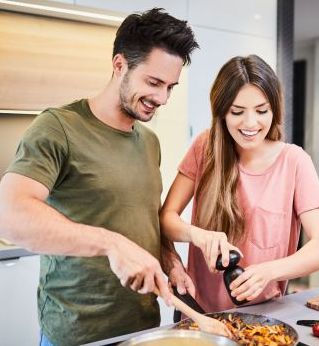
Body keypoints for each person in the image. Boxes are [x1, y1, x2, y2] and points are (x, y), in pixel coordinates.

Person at [0, 8, 199, 346]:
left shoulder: (148, 141)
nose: (162, 98)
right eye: (153, 83)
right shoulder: (58, 128)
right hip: (76, 333)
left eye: (170, 87)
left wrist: (172, 262)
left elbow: (145, 219)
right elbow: (9, 215)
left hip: (143, 327)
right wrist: (111, 243)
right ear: (119, 65)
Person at [160, 54, 319, 314]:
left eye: (262, 111)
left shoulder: (295, 162)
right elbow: (166, 218)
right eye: (237, 112)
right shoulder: (205, 148)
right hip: (199, 311)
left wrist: (268, 272)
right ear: (222, 113)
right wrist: (198, 234)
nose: (251, 123)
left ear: (274, 110)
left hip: (265, 314)